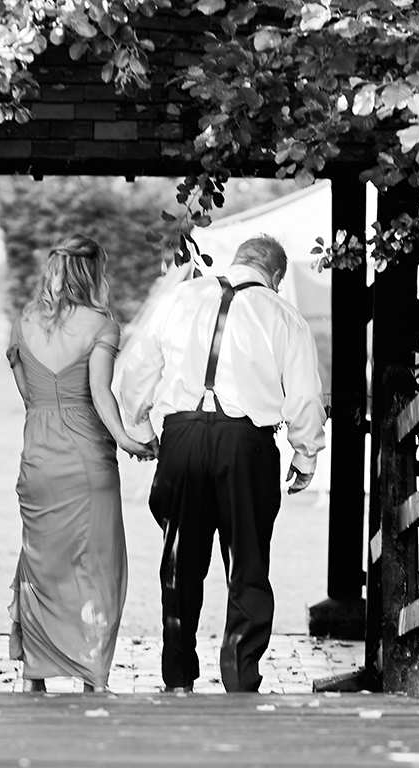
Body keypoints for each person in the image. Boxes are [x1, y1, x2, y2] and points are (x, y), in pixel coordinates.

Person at [112, 234, 325, 693]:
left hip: (183, 437)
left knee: (180, 561)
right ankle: (240, 679)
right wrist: (305, 454)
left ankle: (178, 678)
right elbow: (305, 396)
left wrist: (143, 430)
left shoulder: (182, 297)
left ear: (237, 261)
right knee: (247, 563)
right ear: (277, 276)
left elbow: (138, 371)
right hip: (245, 444)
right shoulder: (283, 314)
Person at [6, 234, 154, 693]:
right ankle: (92, 674)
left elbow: (28, 393)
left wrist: (51, 410)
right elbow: (99, 394)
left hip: (39, 456)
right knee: (98, 567)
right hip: (86, 460)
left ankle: (36, 675)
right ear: (92, 274)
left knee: (41, 562)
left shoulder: (25, 321)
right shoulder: (101, 326)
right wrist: (127, 439)